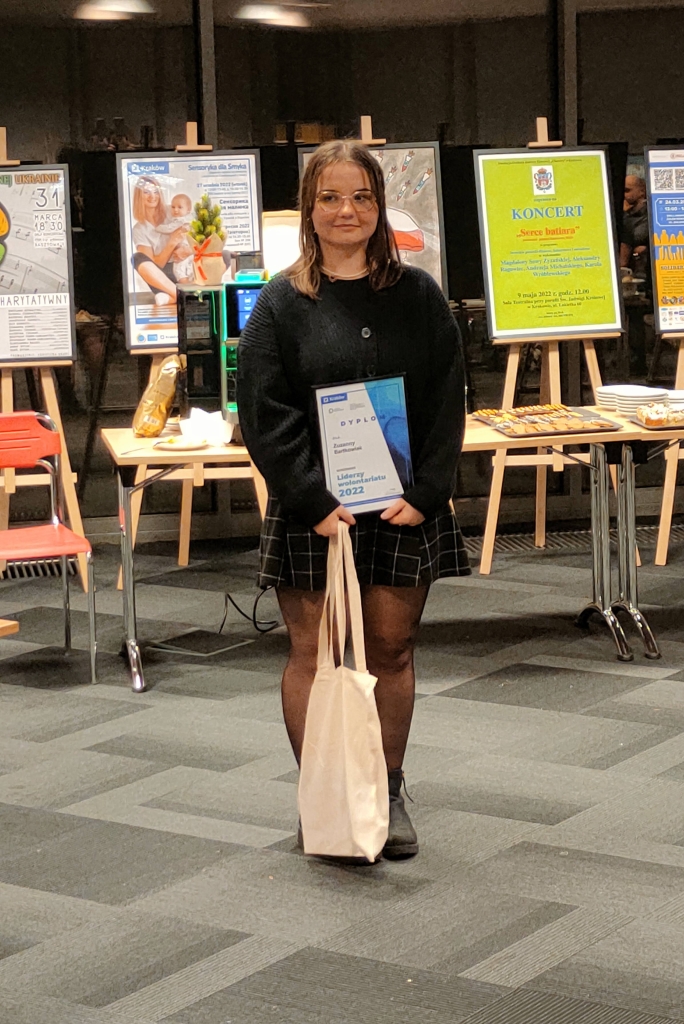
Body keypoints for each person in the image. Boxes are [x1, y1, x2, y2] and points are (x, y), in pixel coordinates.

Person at [237, 139, 470, 861]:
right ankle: (326, 798)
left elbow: (446, 400)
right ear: (310, 209)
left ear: (380, 207)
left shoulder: (419, 296)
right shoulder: (281, 302)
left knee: (391, 650)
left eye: (362, 197)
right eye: (331, 197)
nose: (348, 210)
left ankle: (386, 793)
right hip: (315, 511)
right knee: (315, 654)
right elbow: (264, 411)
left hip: (403, 508)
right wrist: (310, 498)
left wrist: (427, 492)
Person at [130, 177, 188, 305]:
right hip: (162, 277)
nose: (152, 196)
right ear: (139, 197)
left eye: (155, 192)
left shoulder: (172, 211)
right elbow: (155, 265)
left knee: (225, 255)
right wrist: (172, 242)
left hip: (184, 268)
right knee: (137, 257)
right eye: (146, 192)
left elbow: (195, 232)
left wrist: (187, 250)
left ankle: (173, 297)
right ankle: (184, 296)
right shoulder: (139, 229)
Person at [154, 193, 195, 284]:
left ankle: (185, 285)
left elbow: (169, 228)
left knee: (178, 270)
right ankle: (189, 283)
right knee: (188, 270)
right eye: (173, 207)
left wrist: (157, 227)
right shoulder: (188, 221)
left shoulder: (181, 221)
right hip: (188, 252)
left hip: (183, 250)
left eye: (180, 207)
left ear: (188, 210)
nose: (176, 210)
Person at [620, 175, 649, 279]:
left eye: (627, 190)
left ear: (642, 191)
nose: (624, 195)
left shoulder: (649, 215)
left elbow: (637, 236)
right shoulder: (626, 214)